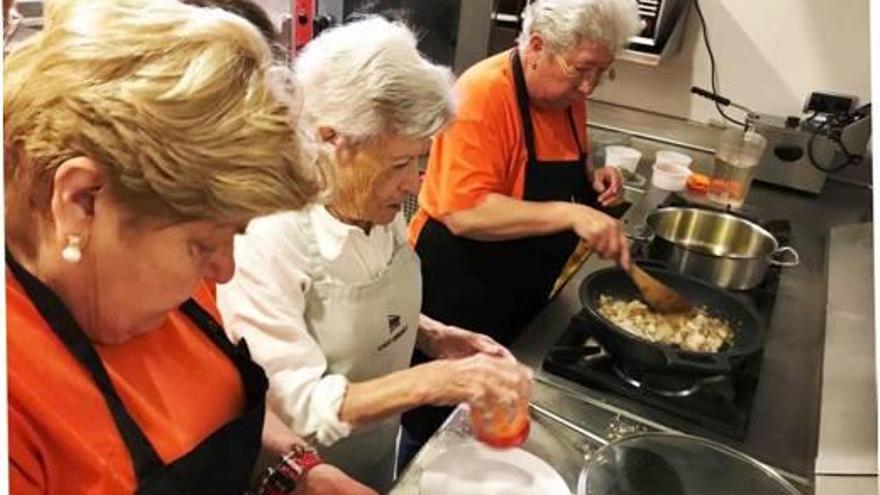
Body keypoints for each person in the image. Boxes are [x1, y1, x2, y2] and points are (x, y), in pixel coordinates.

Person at [5, 0, 373, 493]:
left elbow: (203, 399)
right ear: (81, 201)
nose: (223, 272)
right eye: (202, 245)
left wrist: (303, 470)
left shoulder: (155, 284)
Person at [216, 17, 533, 492]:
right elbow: (295, 402)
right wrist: (438, 380)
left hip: (376, 451)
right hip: (306, 476)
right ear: (329, 139)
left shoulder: (372, 203)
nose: (413, 183)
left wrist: (431, 334)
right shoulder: (268, 230)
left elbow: (363, 300)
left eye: (419, 162)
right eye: (401, 164)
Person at [400, 0, 642, 465]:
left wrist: (593, 178)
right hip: (458, 290)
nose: (588, 86)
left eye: (602, 72)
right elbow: (464, 211)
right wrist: (570, 216)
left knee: (488, 421)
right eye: (582, 70)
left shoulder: (565, 94)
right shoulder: (482, 93)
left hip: (520, 289)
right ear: (536, 46)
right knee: (432, 426)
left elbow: (565, 158)